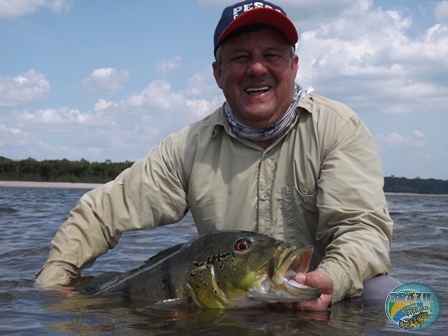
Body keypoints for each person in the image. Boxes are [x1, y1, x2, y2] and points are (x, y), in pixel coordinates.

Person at [35, 0, 395, 311]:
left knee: (391, 298)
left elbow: (361, 230)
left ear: (293, 66)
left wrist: (332, 279)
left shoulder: (339, 128)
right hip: (228, 295)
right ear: (218, 73)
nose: (257, 68)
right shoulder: (188, 146)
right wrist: (52, 289)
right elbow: (101, 212)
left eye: (272, 55)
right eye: (240, 57)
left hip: (321, 293)